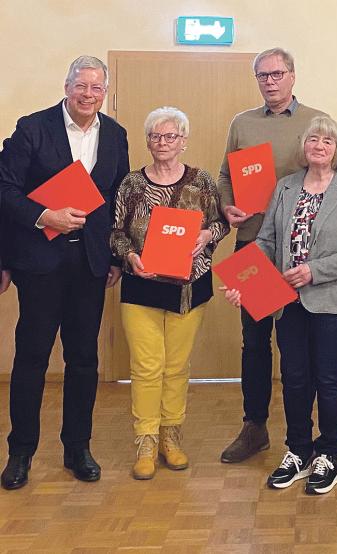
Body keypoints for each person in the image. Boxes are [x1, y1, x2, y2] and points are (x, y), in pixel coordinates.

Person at [223, 115, 337, 495]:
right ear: (303, 148)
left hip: (330, 301)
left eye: (326, 140)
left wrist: (313, 271)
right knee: (294, 378)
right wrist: (244, 281)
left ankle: (329, 454)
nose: (318, 146)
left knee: (329, 378)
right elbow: (267, 242)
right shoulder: (286, 188)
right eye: (312, 140)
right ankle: (298, 451)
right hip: (286, 302)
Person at [0, 56, 129, 490]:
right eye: (81, 85)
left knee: (84, 359)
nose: (88, 94)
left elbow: (117, 199)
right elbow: (5, 190)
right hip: (40, 263)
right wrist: (45, 216)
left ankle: (78, 447)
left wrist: (113, 257)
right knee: (32, 358)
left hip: (90, 265)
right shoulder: (32, 127)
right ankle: (20, 452)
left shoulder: (115, 134)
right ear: (67, 85)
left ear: (105, 92)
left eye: (96, 87)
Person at [216, 47, 328, 464]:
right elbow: (226, 174)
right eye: (263, 75)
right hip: (253, 244)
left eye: (278, 73)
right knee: (256, 340)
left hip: (301, 250)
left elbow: (332, 174)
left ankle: (305, 432)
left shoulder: (316, 122)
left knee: (300, 340)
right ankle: (254, 426)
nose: (271, 81)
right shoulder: (242, 124)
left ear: (293, 76)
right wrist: (228, 207)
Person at [110, 107, 229, 480]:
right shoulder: (131, 183)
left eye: (171, 136)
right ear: (147, 141)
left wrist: (207, 236)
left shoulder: (202, 182)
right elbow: (115, 232)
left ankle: (170, 437)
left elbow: (220, 222)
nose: (163, 143)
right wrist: (129, 255)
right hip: (141, 284)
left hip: (189, 289)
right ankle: (145, 440)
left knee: (176, 367)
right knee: (146, 366)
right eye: (156, 136)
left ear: (184, 141)